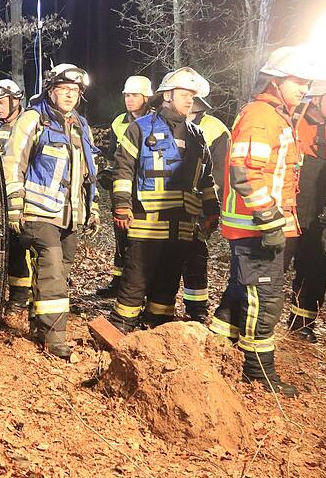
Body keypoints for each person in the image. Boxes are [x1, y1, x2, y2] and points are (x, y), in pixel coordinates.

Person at [210, 45, 326, 398]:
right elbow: (245, 171)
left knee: (240, 292)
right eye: (298, 81)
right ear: (277, 80)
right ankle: (258, 372)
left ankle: (215, 349)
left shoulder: (278, 116)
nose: (304, 88)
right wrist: (268, 221)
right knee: (265, 300)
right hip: (256, 229)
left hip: (260, 227)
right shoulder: (262, 116)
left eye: (308, 82)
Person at [108, 67, 218, 332]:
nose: (190, 100)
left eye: (192, 96)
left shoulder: (197, 135)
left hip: (182, 225)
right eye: (184, 94)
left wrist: (212, 209)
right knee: (135, 280)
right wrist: (122, 204)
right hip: (147, 222)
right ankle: (119, 328)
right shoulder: (140, 128)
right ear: (167, 94)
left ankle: (157, 330)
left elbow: (206, 177)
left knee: (167, 284)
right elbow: (123, 168)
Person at [3, 64, 99, 359]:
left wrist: (92, 207)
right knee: (53, 272)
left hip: (69, 215)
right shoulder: (34, 119)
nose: (69, 95)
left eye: (74, 91)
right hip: (37, 212)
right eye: (64, 89)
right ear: (51, 90)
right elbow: (13, 162)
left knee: (60, 272)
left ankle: (39, 324)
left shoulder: (81, 126)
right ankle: (56, 337)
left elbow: (88, 173)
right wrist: (14, 204)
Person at [286, 75, 326, 342]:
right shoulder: (294, 120)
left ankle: (302, 323)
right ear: (317, 100)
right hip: (291, 207)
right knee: (275, 264)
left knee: (318, 266)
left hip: (324, 214)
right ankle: (255, 319)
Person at [96, 76, 153, 298]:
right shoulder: (119, 122)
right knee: (121, 236)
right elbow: (112, 155)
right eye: (127, 95)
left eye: (134, 95)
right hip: (122, 188)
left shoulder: (154, 122)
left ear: (145, 97)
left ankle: (140, 283)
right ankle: (118, 281)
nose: (129, 100)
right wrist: (108, 173)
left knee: (142, 239)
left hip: (146, 189)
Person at [180, 97, 231, 321]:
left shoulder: (214, 128)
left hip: (198, 208)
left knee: (195, 257)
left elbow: (219, 171)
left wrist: (207, 204)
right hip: (171, 205)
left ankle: (197, 308)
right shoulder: (170, 124)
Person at [0, 79, 31, 309]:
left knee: (20, 248)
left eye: (2, 102)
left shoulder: (28, 126)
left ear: (15, 100)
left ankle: (20, 297)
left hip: (23, 198)